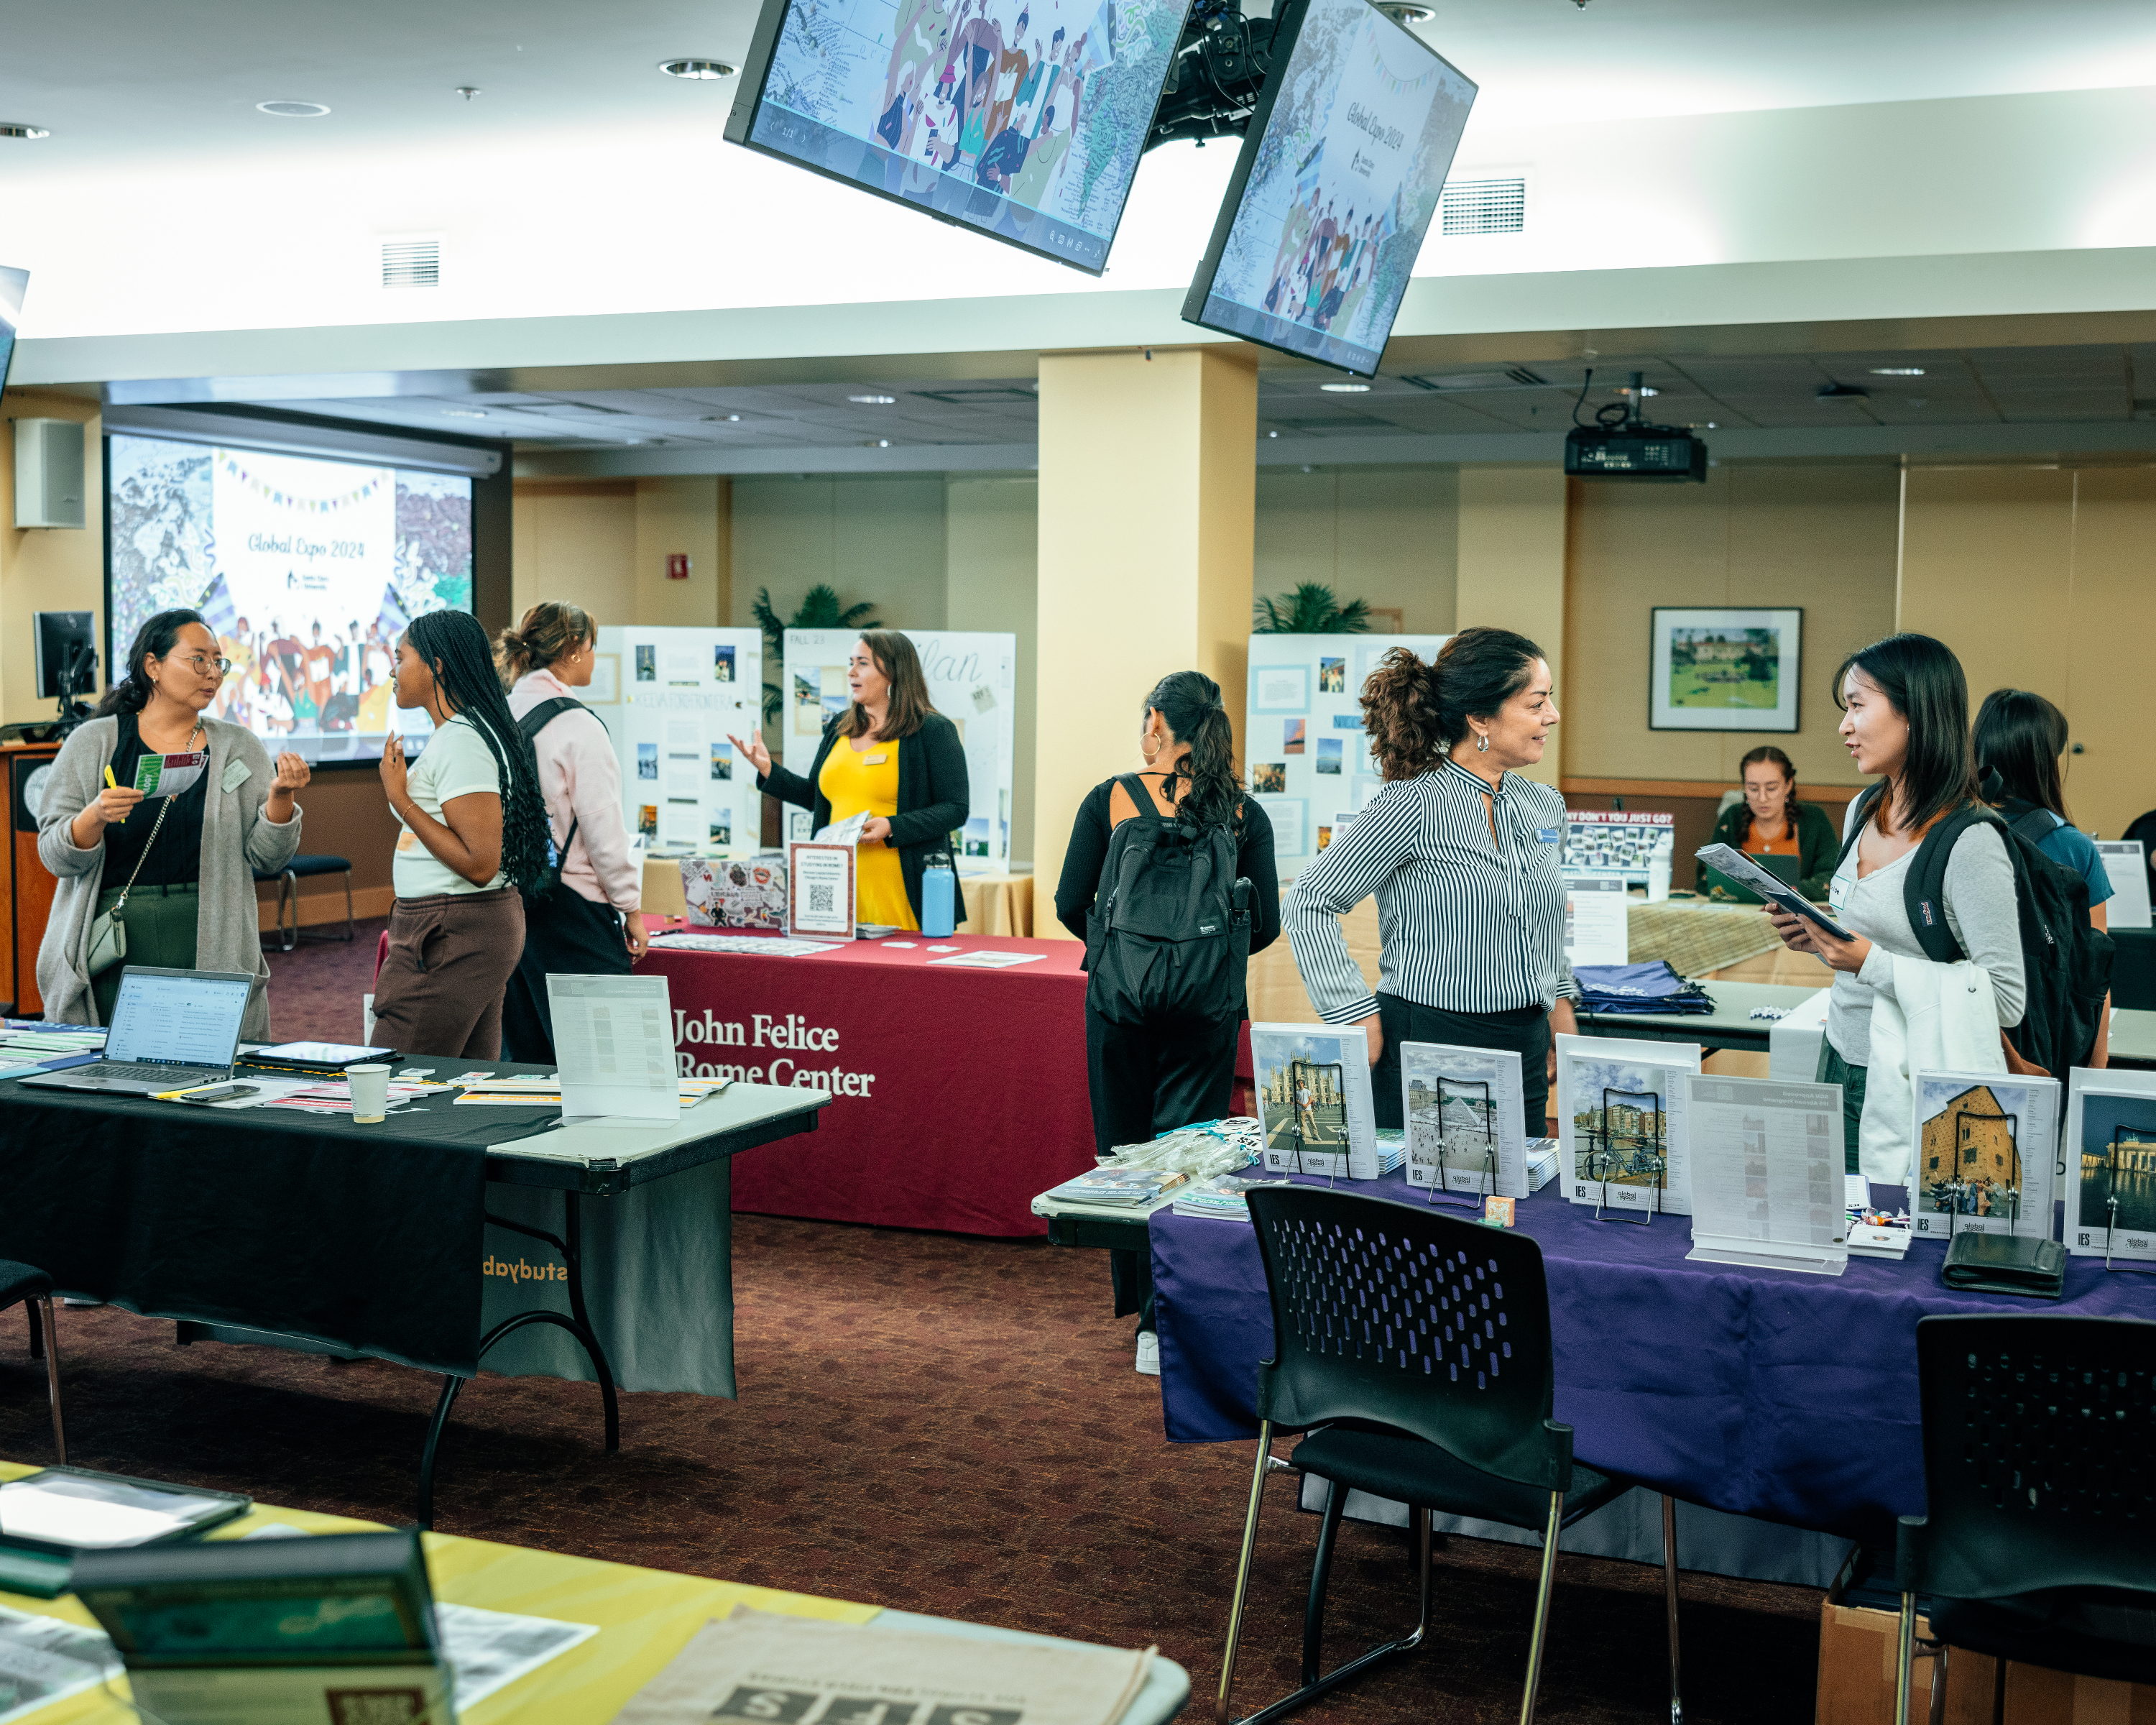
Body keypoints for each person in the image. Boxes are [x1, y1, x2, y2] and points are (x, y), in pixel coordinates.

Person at [1052, 670, 1280, 1375]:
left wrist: (1128, 953)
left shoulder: (1110, 799)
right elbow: (1265, 923)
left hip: (1118, 1004)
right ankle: (1164, 1324)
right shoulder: (1243, 812)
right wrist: (1198, 958)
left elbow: (1069, 902)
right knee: (1188, 1160)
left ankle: (1137, 1305)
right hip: (1206, 1011)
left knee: (1124, 1154)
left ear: (1156, 722)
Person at [1282, 627, 1579, 1136]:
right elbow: (1308, 902)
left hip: (1526, 1043)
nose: (1551, 716)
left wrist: (1561, 1008)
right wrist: (1351, 1011)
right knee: (1432, 1189)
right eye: (1537, 703)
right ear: (1480, 718)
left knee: (1518, 1186)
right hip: (1429, 1040)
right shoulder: (1412, 804)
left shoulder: (1544, 805)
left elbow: (1544, 925)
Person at [1766, 635, 2027, 1168]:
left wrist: (1868, 962)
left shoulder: (1971, 841)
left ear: (1915, 714)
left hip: (1915, 1078)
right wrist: (1818, 933)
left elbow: (2005, 999)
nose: (1844, 726)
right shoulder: (1863, 808)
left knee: (1886, 1220)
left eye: (1857, 706)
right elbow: (1869, 937)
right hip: (1839, 1054)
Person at [36, 608, 308, 1037]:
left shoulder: (239, 747)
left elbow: (268, 858)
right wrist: (95, 816)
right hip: (115, 940)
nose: (213, 673)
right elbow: (56, 856)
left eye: (218, 661)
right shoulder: (94, 742)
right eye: (198, 659)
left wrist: (281, 798)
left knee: (205, 1065)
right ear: (154, 666)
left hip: (210, 935)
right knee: (113, 1068)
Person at [372, 610, 550, 1060]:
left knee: (397, 1076)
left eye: (401, 658)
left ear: (436, 665)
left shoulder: (461, 740)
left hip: (451, 929)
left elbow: (479, 862)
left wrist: (400, 797)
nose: (393, 670)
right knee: (465, 1081)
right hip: (462, 926)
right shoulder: (465, 732)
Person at [729, 630, 969, 933]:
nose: (851, 672)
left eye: (863, 663)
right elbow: (815, 798)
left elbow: (955, 808)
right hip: (834, 882)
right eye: (851, 662)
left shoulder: (932, 730)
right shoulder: (839, 726)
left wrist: (893, 826)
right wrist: (769, 770)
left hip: (899, 882)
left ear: (893, 672)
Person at [497, 602, 648, 1063]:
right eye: (593, 647)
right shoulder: (578, 726)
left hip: (509, 903)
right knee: (610, 1059)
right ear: (576, 648)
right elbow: (603, 832)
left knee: (529, 1060)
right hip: (573, 909)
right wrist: (631, 908)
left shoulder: (497, 715)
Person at [1973, 686, 2111, 1064]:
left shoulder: (1949, 830)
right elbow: (2094, 973)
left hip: (1964, 1034)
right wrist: (2096, 1068)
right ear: (2047, 760)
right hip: (2046, 1047)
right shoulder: (2073, 848)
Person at [1698, 744, 1839, 901]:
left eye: (1771, 788)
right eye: (1753, 789)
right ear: (1744, 788)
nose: (1762, 798)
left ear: (1788, 785)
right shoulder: (1732, 818)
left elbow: (1832, 878)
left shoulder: (1813, 819)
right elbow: (1706, 877)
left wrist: (1786, 892)